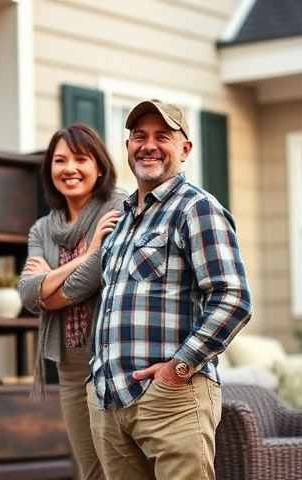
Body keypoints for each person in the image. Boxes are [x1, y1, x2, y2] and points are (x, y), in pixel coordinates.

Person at [87, 100, 253, 480]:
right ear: (127, 145)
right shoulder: (123, 219)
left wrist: (178, 370)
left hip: (173, 400)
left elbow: (233, 298)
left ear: (185, 149)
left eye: (163, 136)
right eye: (139, 136)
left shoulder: (196, 208)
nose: (149, 145)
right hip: (111, 402)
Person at [17, 124, 124, 480]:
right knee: (91, 470)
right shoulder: (43, 229)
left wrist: (51, 283)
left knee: (120, 467)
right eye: (60, 160)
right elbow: (28, 296)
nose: (70, 169)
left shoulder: (117, 208)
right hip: (70, 364)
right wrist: (86, 255)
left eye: (81, 159)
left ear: (99, 166)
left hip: (110, 356)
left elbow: (91, 280)